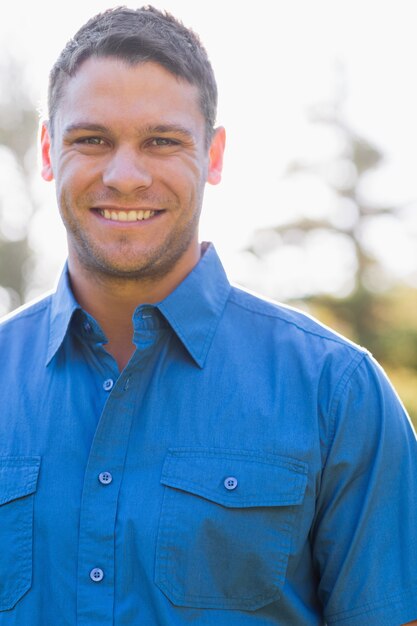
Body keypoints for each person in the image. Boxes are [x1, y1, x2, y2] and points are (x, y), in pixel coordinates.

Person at [0, 6, 416, 625]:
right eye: (92, 139)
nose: (125, 175)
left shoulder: (339, 393)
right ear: (48, 150)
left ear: (214, 155)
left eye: (161, 141)